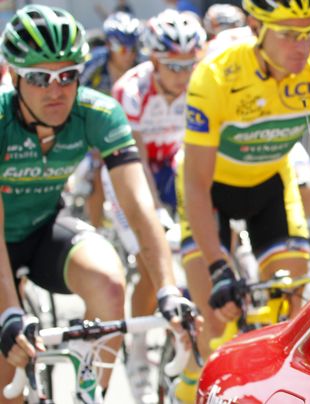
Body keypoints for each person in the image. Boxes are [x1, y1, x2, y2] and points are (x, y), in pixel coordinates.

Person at [0, 4, 197, 399]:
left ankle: (89, 393)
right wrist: (9, 311)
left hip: (41, 228)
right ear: (15, 77)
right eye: (40, 77)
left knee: (109, 284)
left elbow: (139, 205)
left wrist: (168, 289)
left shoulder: (98, 112)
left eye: (67, 75)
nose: (56, 90)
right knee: (10, 384)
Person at [177, 0, 310, 398]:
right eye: (287, 34)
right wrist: (216, 268)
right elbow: (195, 184)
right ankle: (188, 385)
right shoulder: (216, 75)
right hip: (210, 190)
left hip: (269, 186)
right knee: (217, 321)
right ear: (256, 27)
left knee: (288, 307)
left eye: (309, 32)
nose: (301, 46)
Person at [109, 9, 206, 403]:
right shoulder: (131, 90)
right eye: (172, 66)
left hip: (175, 168)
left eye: (189, 66)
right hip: (132, 173)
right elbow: (136, 166)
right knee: (155, 257)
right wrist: (157, 218)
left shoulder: (200, 84)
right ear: (153, 61)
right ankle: (136, 352)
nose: (183, 76)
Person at [79, 11, 144, 229]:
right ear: (108, 45)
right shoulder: (95, 66)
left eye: (133, 48)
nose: (128, 55)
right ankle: (95, 227)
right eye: (122, 48)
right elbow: (76, 100)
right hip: (96, 129)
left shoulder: (142, 66)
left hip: (133, 129)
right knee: (97, 172)